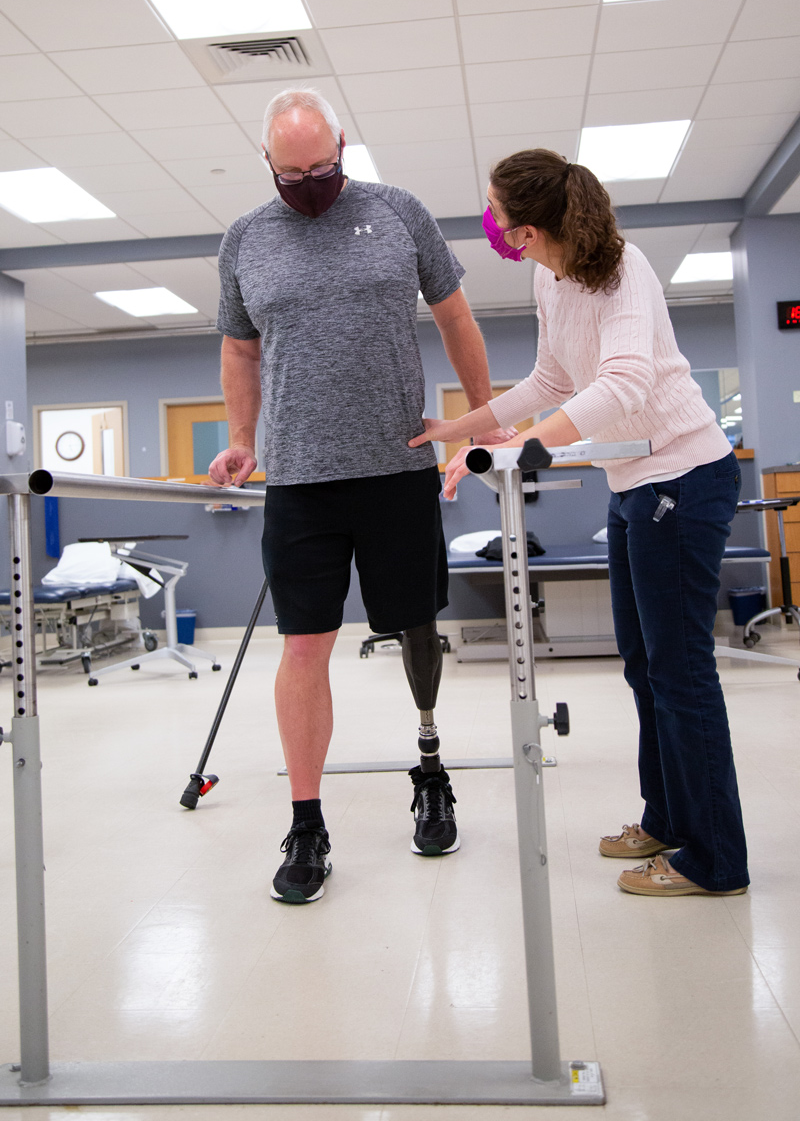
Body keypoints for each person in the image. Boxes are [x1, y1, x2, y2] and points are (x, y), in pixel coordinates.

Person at [410, 148, 749, 898]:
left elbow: (625, 381)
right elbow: (553, 379)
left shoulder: (626, 271)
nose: (493, 224)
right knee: (644, 666)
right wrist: (468, 428)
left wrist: (535, 444)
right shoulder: (549, 276)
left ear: (528, 227)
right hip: (633, 483)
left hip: (684, 478)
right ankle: (667, 819)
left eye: (498, 213)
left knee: (681, 673)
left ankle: (716, 859)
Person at [209, 87, 513, 904]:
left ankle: (429, 763)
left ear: (343, 146)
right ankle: (307, 822)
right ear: (267, 164)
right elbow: (241, 352)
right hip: (300, 479)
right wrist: (242, 439)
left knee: (416, 624)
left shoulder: (398, 213)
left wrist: (481, 419)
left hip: (396, 467)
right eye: (292, 173)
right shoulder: (245, 238)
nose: (310, 183)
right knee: (304, 646)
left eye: (323, 168)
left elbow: (455, 316)